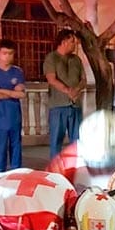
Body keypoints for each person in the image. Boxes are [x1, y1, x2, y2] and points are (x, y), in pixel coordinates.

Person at [44, 29, 86, 158]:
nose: (75, 44)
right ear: (63, 42)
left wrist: (76, 90)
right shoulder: (52, 58)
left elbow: (83, 79)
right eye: (72, 41)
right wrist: (68, 91)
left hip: (75, 105)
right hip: (58, 105)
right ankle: (55, 170)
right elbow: (51, 79)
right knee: (56, 140)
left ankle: (75, 168)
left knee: (77, 141)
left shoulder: (76, 60)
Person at [0, 39, 26, 172]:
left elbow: (21, 94)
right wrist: (12, 92)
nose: (7, 56)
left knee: (16, 148)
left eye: (10, 53)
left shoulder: (17, 72)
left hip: (14, 116)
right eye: (4, 53)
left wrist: (2, 90)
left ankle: (17, 175)